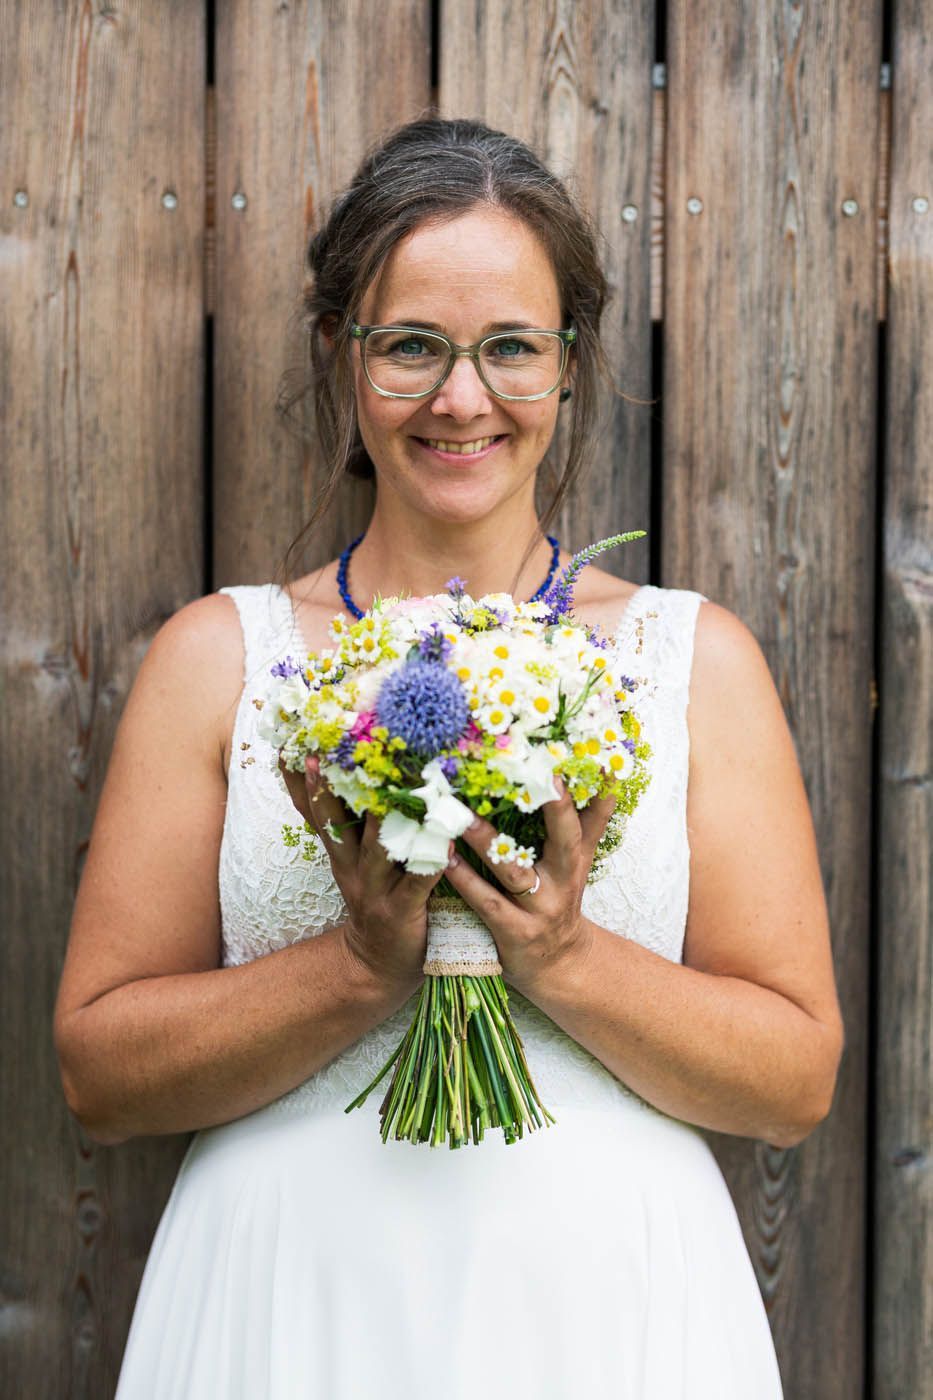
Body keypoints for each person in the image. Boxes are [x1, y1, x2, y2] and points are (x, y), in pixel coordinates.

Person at [54, 117, 843, 1398]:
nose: (461, 399)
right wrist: (354, 967)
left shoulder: (693, 660)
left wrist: (565, 954)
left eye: (512, 347)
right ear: (342, 352)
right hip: (289, 1299)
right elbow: (99, 1074)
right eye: (411, 344)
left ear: (570, 363)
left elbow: (794, 1081)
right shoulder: (220, 658)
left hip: (611, 1310)